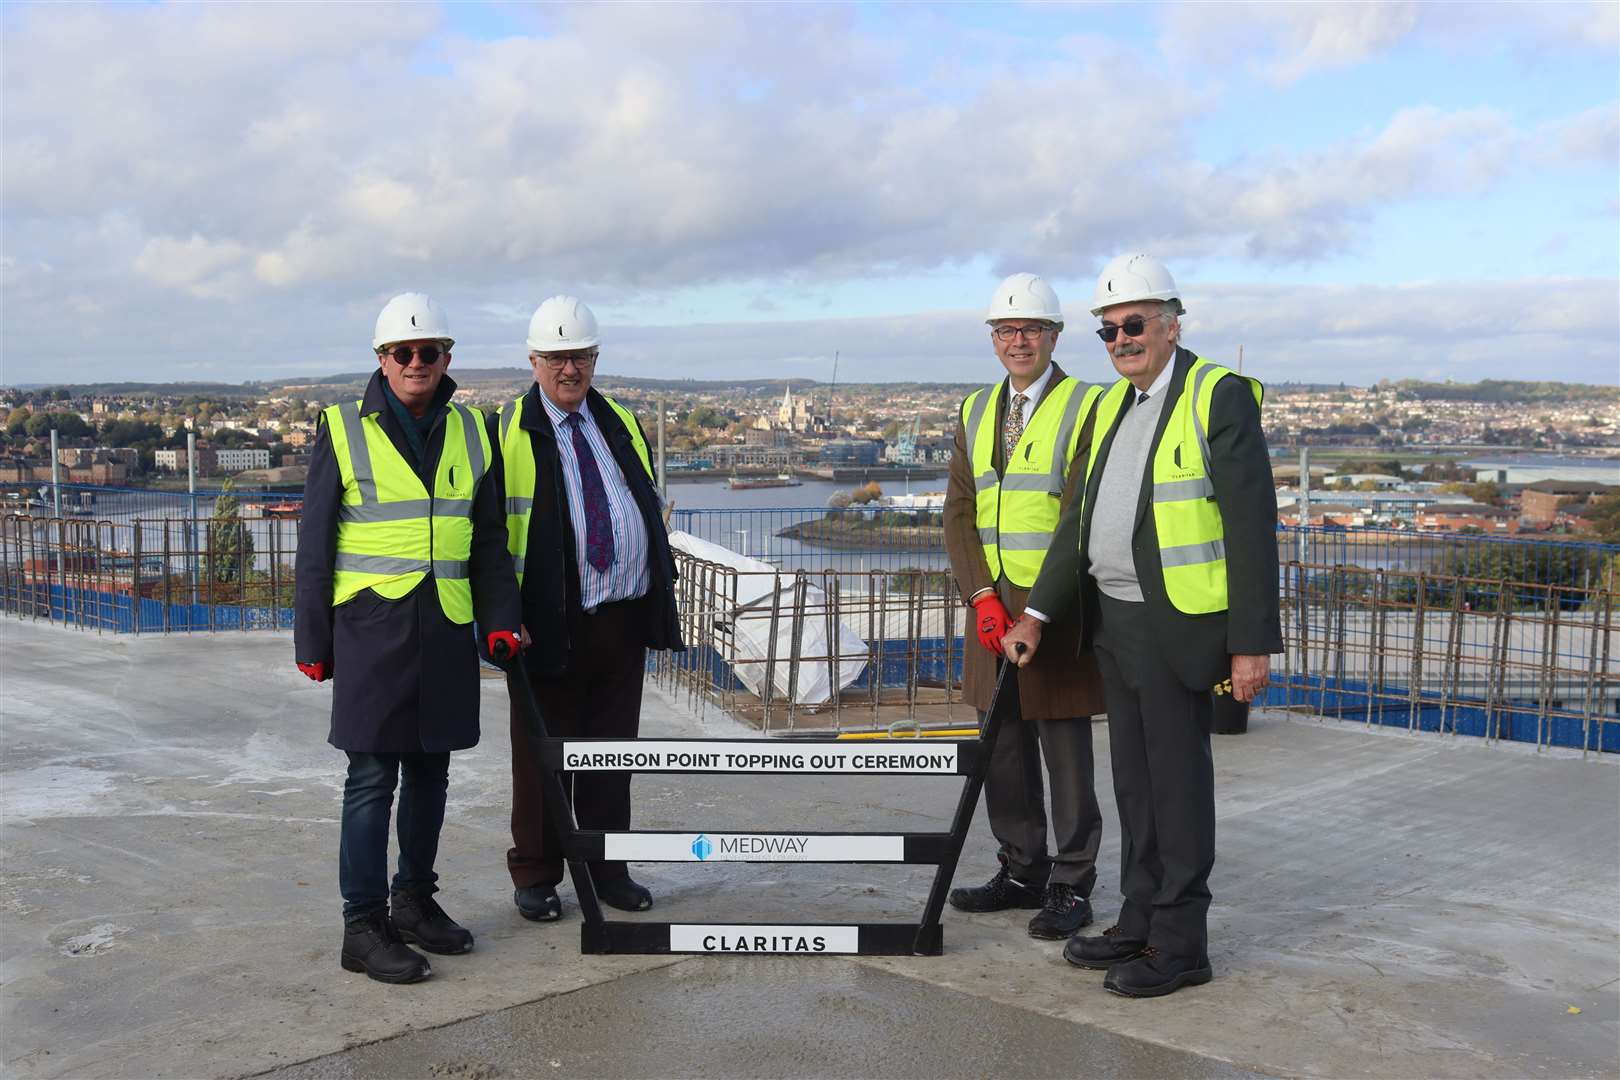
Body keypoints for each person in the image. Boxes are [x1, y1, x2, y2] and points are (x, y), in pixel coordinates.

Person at [1004, 254, 1280, 998]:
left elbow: (1254, 527)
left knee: (1177, 786)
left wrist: (1252, 642)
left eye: (1133, 325)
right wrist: (1036, 612)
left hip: (1178, 626)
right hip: (1115, 625)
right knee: (1134, 783)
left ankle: (1182, 944)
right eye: (1109, 330)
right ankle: (1138, 920)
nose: (1121, 340)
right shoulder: (1113, 406)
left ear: (1170, 324)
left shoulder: (1214, 395)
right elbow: (1080, 524)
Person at [294, 293, 521, 985]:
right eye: (404, 353)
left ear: (447, 358)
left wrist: (501, 618)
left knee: (432, 772)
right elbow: (315, 541)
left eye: (430, 352)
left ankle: (414, 903)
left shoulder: (475, 432)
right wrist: (312, 638)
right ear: (382, 361)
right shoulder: (341, 428)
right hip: (369, 630)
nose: (417, 363)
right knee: (370, 779)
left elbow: (488, 540)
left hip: (446, 627)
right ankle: (361, 926)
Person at [492, 295, 682, 922]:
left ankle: (609, 869)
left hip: (619, 618)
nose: (568, 369)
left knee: (611, 754)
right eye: (555, 358)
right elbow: (489, 532)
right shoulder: (508, 431)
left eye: (579, 357)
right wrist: (501, 611)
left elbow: (639, 499)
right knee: (545, 755)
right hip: (546, 623)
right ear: (533, 360)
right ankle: (538, 873)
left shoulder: (618, 422)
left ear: (595, 359)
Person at [942, 272, 1108, 941]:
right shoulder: (976, 410)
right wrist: (982, 596)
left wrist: (1039, 610)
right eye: (1007, 331)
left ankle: (1071, 884)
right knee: (1001, 751)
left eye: (1031, 330)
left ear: (1055, 336)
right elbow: (959, 512)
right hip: (994, 606)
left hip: (1056, 608)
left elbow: (1080, 515)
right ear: (993, 338)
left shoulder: (1087, 406)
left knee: (1064, 751)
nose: (1019, 341)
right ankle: (1021, 870)